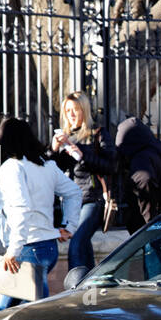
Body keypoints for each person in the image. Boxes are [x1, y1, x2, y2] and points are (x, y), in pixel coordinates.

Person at [0, 116, 82, 309]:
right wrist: (69, 225)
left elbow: (20, 209)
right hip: (48, 247)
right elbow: (74, 192)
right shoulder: (46, 165)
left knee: (9, 310)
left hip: (26, 249)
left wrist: (13, 250)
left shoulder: (11, 167)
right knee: (12, 310)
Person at [50, 91, 118, 271]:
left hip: (92, 199)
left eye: (76, 109)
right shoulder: (65, 136)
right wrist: (53, 150)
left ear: (84, 111)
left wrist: (81, 155)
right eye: (68, 110)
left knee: (77, 241)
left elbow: (111, 165)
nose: (71, 114)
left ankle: (76, 287)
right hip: (70, 201)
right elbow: (51, 168)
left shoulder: (97, 133)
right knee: (82, 242)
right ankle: (91, 287)